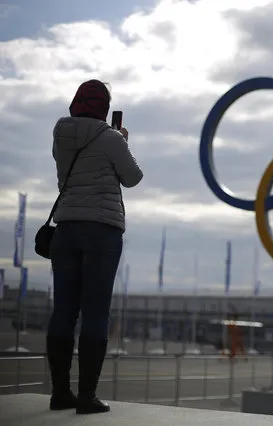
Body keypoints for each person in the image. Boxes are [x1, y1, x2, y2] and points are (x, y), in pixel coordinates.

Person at [46, 79, 143, 414]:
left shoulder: (61, 132)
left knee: (64, 311)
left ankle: (60, 392)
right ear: (104, 106)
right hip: (102, 231)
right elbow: (132, 177)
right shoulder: (111, 137)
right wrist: (123, 142)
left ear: (76, 102)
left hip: (66, 227)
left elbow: (65, 173)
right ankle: (86, 396)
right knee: (96, 312)